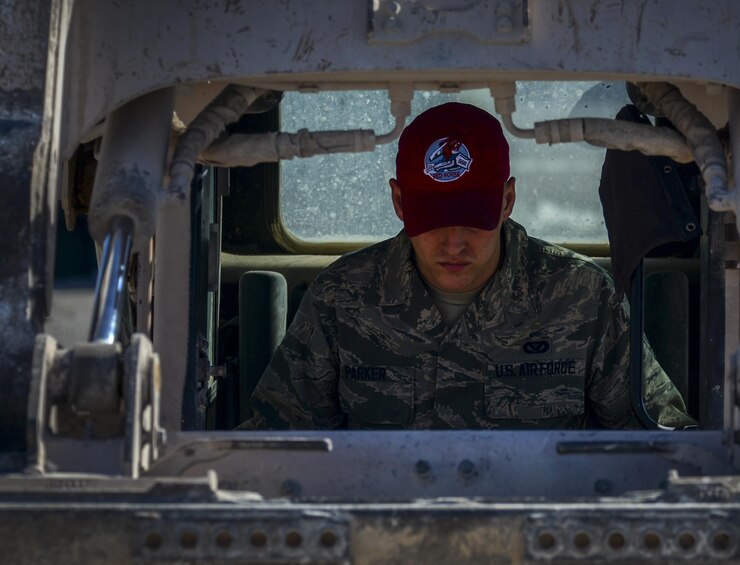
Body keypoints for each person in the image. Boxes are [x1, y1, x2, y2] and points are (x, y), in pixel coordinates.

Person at [244, 102, 694, 430]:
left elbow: (660, 439)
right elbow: (275, 445)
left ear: (507, 200)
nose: (454, 242)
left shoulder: (581, 297)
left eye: (473, 218)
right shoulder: (342, 299)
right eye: (434, 219)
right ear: (399, 202)